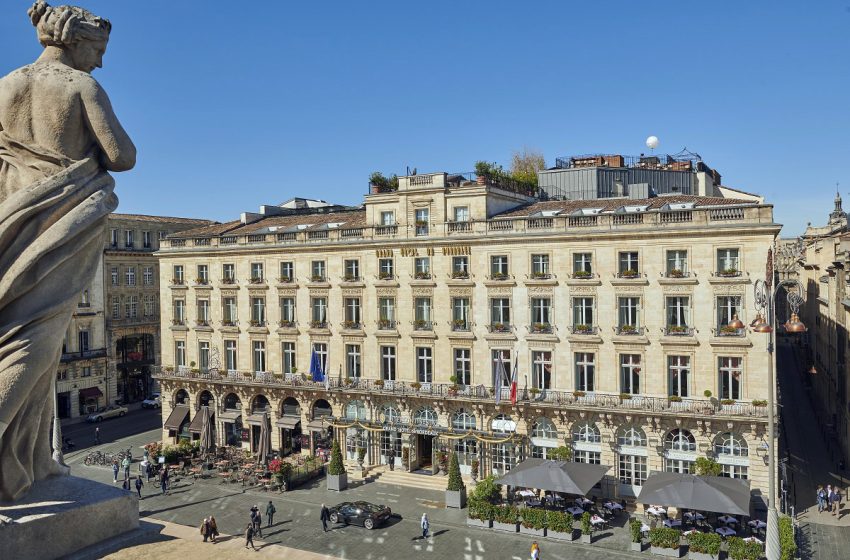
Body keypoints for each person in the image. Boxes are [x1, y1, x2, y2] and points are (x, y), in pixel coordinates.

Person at [0, 0, 136, 502]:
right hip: (61, 221)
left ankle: (28, 465)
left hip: (10, 217)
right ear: (74, 41)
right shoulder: (81, 86)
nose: (100, 60)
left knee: (15, 331)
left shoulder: (5, 85)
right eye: (97, 48)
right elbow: (123, 155)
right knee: (38, 335)